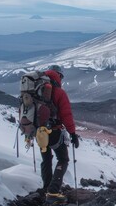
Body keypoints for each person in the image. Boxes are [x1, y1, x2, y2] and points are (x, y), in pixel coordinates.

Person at [42, 65, 79, 204]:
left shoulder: (37, 89)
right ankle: (53, 192)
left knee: (46, 159)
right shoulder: (59, 92)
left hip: (40, 132)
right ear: (58, 75)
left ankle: (47, 188)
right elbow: (66, 115)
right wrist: (73, 133)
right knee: (63, 159)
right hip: (54, 131)